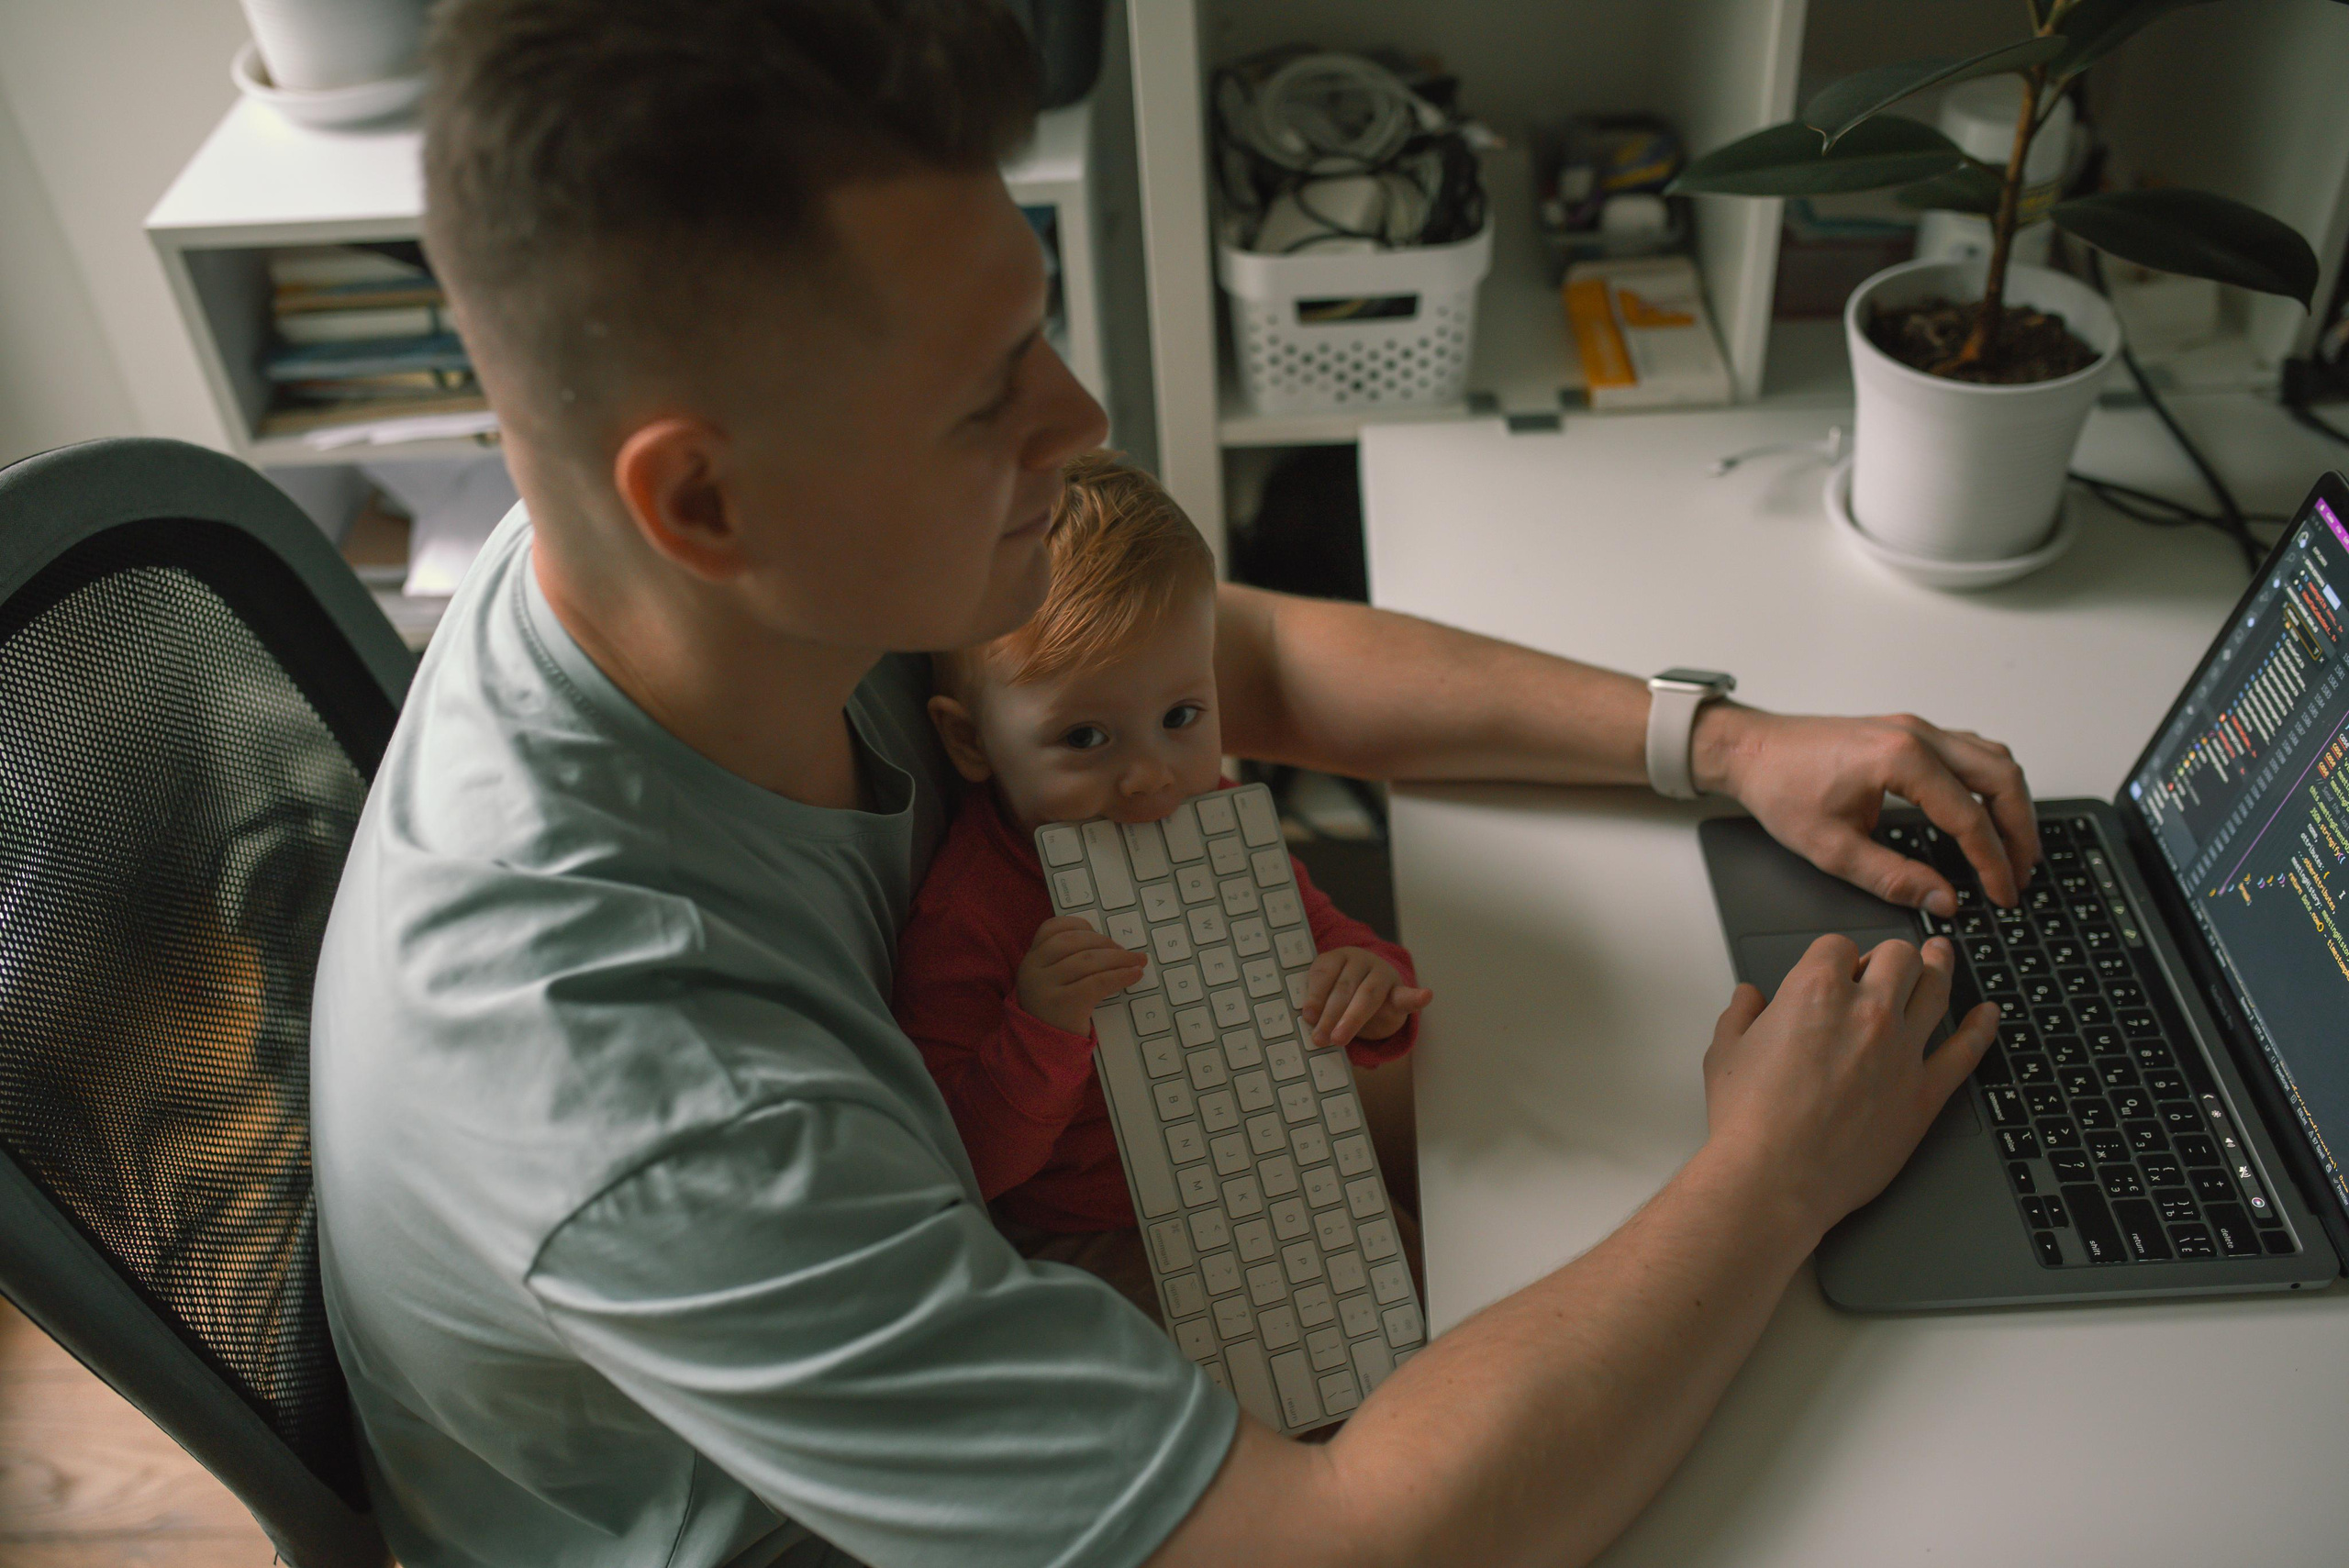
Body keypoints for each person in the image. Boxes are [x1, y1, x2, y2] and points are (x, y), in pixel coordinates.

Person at [308, 4, 2033, 1566]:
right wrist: (1775, 1176)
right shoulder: (645, 1100)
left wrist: (1722, 744)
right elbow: (1344, 1546)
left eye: (1034, 332)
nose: (1077, 419)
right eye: (983, 401)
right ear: (702, 504)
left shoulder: (708, 568)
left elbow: (1229, 654)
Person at [893, 451, 1427, 1323]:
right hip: (1100, 1232)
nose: (1151, 778)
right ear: (970, 741)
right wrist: (1041, 1029)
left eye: (1181, 717)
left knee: (1432, 1298)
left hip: (1271, 1164)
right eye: (1084, 738)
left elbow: (1333, 939)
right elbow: (966, 1166)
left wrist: (1370, 985)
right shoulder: (970, 914)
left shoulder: (1210, 815)